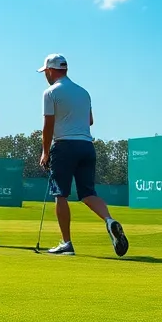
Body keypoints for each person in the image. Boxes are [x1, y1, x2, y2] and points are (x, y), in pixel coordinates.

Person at [37, 54, 128, 259]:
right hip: (87, 146)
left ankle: (66, 243)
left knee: (60, 194)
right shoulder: (84, 92)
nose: (45, 76)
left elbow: (48, 125)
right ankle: (109, 220)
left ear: (51, 70)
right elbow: (90, 120)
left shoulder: (50, 93)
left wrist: (44, 152)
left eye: (45, 72)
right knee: (88, 194)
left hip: (64, 146)